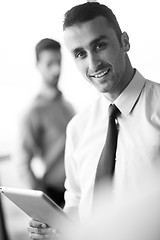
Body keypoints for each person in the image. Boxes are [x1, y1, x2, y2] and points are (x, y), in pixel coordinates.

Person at [28, 2, 160, 239]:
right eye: (80, 54)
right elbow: (76, 200)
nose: (93, 64)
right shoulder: (78, 128)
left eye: (99, 45)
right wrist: (57, 228)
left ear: (125, 41)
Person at [19, 38, 74, 207]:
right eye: (50, 64)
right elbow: (22, 164)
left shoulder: (67, 105)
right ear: (38, 65)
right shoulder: (33, 111)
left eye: (59, 62)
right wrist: (44, 204)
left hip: (78, 191)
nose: (56, 70)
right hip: (56, 195)